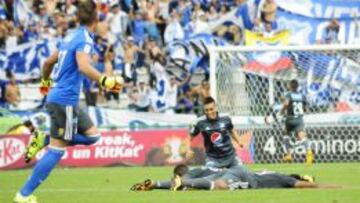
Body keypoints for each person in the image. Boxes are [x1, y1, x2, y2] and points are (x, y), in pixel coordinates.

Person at [13, 1, 123, 203]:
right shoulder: (84, 39)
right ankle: (23, 195)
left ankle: (43, 139)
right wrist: (105, 80)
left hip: (59, 97)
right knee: (57, 151)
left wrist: (45, 82)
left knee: (93, 137)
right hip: (65, 101)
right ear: (96, 18)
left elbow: (48, 62)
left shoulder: (70, 36)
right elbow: (83, 66)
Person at [131, 164, 337, 191]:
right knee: (220, 186)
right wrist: (328, 187)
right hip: (240, 174)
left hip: (234, 170)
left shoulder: (269, 171)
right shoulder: (283, 178)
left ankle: (153, 185)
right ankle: (182, 183)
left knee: (213, 183)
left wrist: (158, 184)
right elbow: (301, 184)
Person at [185, 96, 243, 169]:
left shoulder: (226, 118)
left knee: (241, 173)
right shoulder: (200, 122)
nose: (209, 112)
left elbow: (232, 130)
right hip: (213, 159)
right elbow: (189, 137)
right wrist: (188, 150)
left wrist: (239, 142)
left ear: (216, 108)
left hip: (231, 157)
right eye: (206, 110)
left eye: (211, 109)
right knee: (210, 176)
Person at [281, 80, 313, 164]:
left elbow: (286, 104)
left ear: (290, 86)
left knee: (286, 134)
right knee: (303, 137)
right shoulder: (302, 96)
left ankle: (288, 155)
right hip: (299, 119)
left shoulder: (289, 94)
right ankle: (309, 153)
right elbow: (306, 108)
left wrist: (282, 111)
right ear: (297, 86)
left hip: (290, 118)